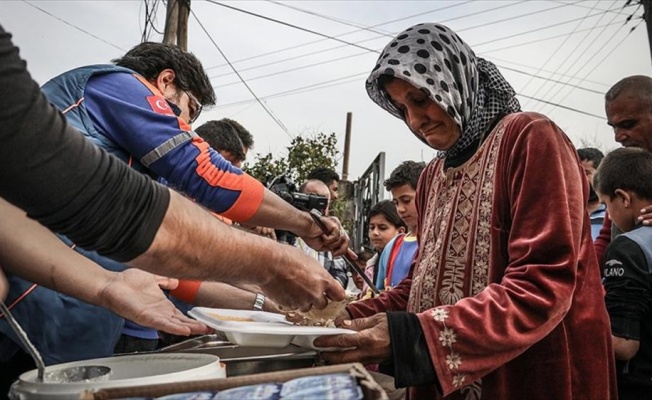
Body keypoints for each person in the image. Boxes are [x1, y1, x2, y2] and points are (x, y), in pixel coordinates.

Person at [315, 22, 616, 399]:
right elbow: (424, 284)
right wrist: (344, 318)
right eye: (403, 107)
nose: (415, 120)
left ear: (452, 80)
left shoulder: (529, 138)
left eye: (421, 99)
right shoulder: (432, 176)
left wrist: (416, 336)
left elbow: (544, 283)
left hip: (528, 375)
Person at [0, 23, 345, 328]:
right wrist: (303, 225)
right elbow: (207, 173)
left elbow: (174, 246)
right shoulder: (121, 85)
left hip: (72, 313)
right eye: (189, 111)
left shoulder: (138, 159)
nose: (187, 128)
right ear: (165, 82)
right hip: (29, 298)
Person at [594, 147, 652, 400]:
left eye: (606, 205)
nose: (608, 215)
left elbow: (623, 345)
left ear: (623, 198)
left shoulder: (628, 246)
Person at [595, 75, 652, 263]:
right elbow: (607, 238)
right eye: (614, 127)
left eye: (628, 124)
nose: (618, 137)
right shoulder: (625, 168)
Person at [375, 161, 425, 290]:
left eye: (406, 201)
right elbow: (378, 290)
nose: (400, 209)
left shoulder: (436, 243)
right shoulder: (392, 247)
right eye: (396, 203)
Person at [293, 179, 349, 288]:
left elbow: (340, 271)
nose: (321, 208)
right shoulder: (283, 231)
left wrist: (332, 287)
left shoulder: (330, 236)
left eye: (325, 203)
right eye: (316, 200)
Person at [359, 200, 406, 300]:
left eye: (382, 228)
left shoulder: (405, 262)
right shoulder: (371, 264)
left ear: (400, 231)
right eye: (372, 227)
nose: (375, 233)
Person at [577, 147, 606, 241]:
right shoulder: (564, 214)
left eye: (586, 173)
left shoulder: (613, 215)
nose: (579, 178)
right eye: (576, 172)